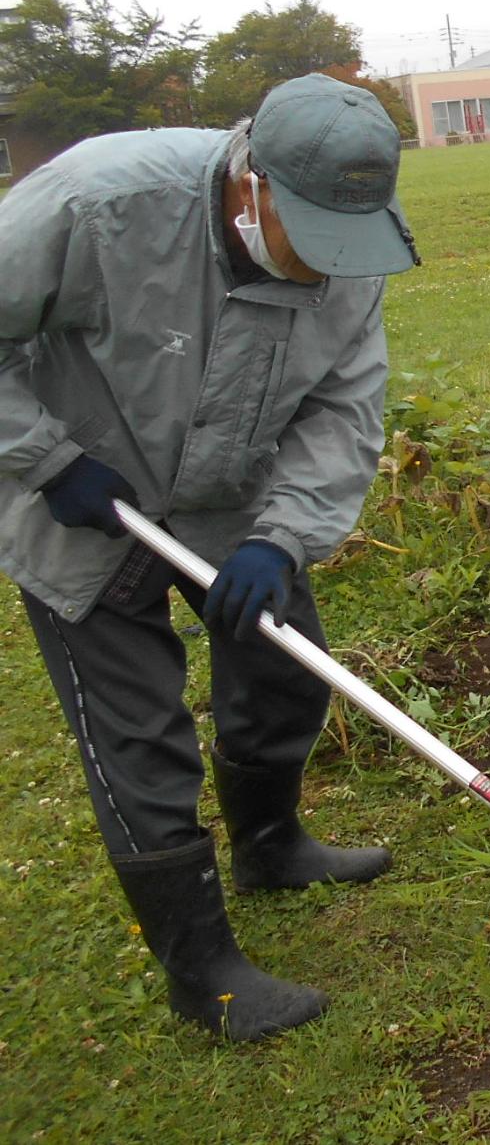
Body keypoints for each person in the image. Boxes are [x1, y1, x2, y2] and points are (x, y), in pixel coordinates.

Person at [0, 73, 421, 1041]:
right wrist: (47, 458)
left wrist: (281, 534)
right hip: (74, 494)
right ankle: (204, 970)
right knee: (138, 732)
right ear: (250, 188)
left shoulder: (352, 237)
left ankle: (272, 845)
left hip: (229, 488)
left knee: (282, 672)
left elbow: (343, 408)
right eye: (306, 240)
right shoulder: (97, 202)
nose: (326, 269)